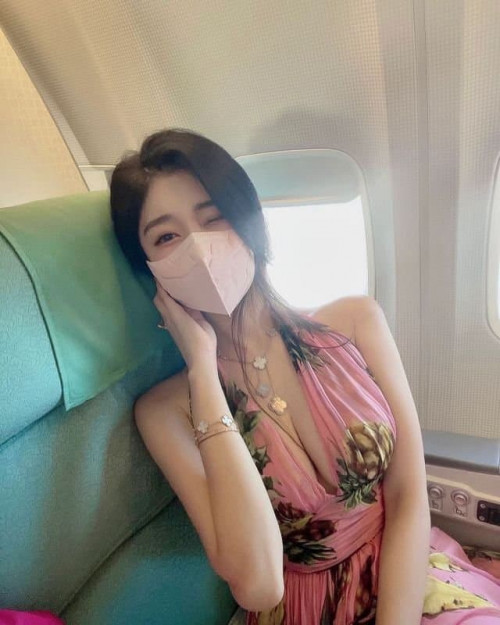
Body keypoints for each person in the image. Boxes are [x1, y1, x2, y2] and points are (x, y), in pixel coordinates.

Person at [109, 128, 500, 625]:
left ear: (249, 221)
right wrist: (202, 370)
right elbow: (257, 583)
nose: (198, 247)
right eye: (167, 237)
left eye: (214, 216)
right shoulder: (165, 412)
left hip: (407, 568)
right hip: (305, 607)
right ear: (149, 269)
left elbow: (406, 495)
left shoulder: (355, 321)